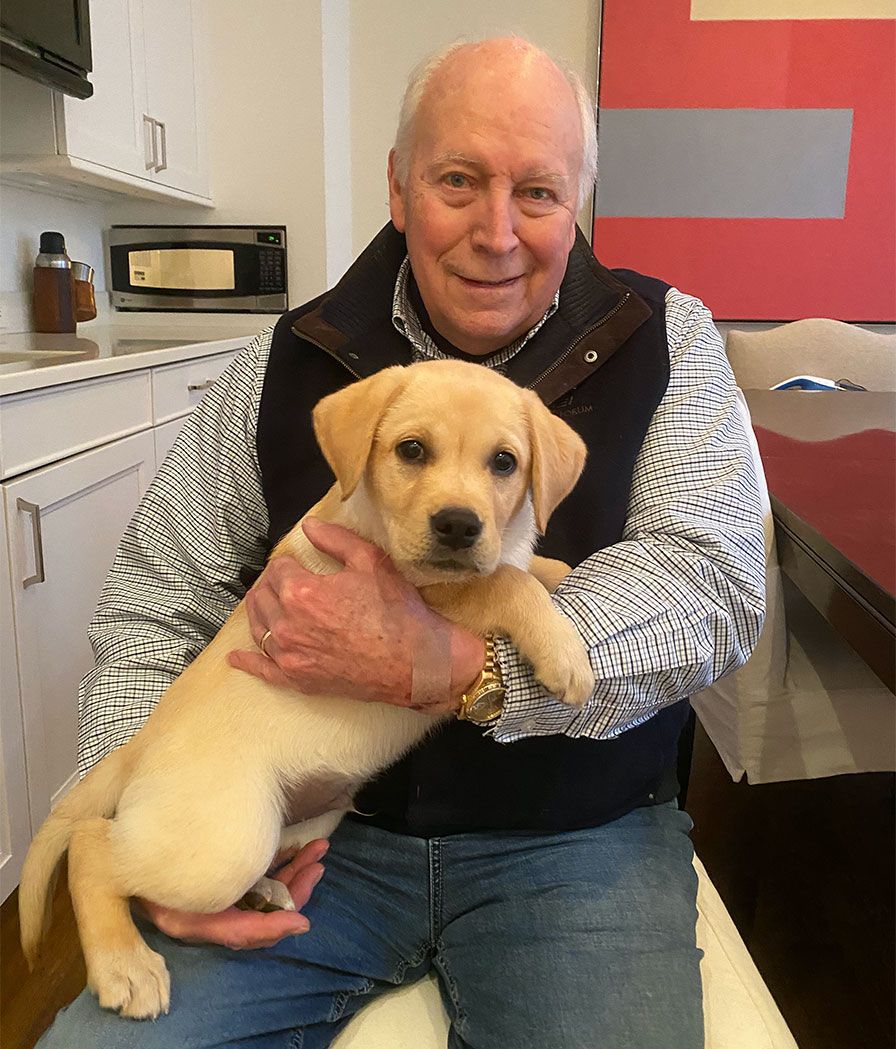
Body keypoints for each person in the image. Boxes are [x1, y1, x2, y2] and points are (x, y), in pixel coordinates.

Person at [39, 36, 765, 1049]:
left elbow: (712, 587)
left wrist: (470, 666)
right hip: (316, 837)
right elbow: (157, 595)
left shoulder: (668, 340)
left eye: (539, 193)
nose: (496, 232)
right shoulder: (285, 360)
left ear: (579, 205)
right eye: (457, 180)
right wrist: (151, 814)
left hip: (576, 832)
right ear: (397, 186)